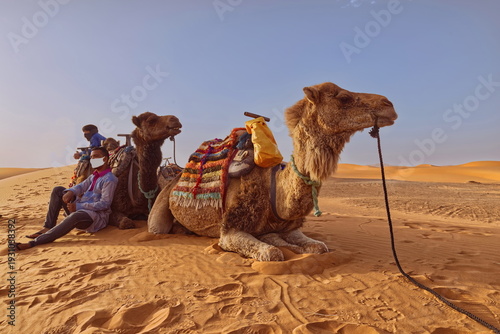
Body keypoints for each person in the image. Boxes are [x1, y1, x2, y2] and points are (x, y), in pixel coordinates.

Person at [16, 147, 118, 251]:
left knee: (75, 215)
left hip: (95, 218)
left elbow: (105, 204)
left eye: (96, 156)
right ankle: (48, 226)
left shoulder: (109, 179)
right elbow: (81, 186)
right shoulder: (93, 176)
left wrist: (78, 206)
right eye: (91, 157)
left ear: (105, 159)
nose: (92, 159)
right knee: (58, 190)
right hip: (79, 209)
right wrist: (71, 192)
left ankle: (35, 242)